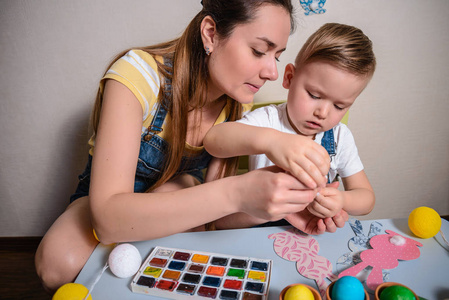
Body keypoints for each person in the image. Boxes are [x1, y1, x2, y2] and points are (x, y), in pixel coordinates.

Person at [35, 2, 348, 293]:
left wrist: (276, 205)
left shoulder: (234, 104)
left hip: (171, 206)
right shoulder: (137, 75)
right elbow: (106, 221)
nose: (272, 72)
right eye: (258, 51)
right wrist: (238, 191)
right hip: (105, 205)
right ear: (210, 34)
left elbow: (215, 220)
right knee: (57, 263)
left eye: (276, 56)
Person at [204, 23, 376, 221]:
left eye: (339, 106)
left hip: (310, 230)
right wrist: (272, 142)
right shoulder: (269, 119)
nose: (323, 112)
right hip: (259, 223)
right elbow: (214, 139)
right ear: (289, 78)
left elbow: (367, 199)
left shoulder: (339, 137)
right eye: (314, 95)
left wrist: (341, 199)